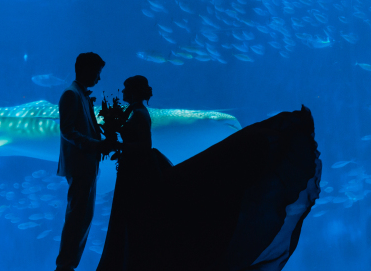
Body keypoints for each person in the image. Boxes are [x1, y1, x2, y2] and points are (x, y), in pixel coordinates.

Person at [97, 76, 321, 271]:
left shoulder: (139, 113)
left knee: (144, 221)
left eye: (127, 88)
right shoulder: (133, 112)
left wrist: (114, 146)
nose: (123, 92)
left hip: (137, 168)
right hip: (132, 170)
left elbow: (143, 146)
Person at [55, 52, 118, 271]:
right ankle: (64, 266)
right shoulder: (71, 95)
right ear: (86, 70)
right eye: (97, 73)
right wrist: (96, 145)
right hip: (80, 165)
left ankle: (69, 264)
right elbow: (68, 131)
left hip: (87, 165)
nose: (99, 78)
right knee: (76, 218)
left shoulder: (81, 94)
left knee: (83, 217)